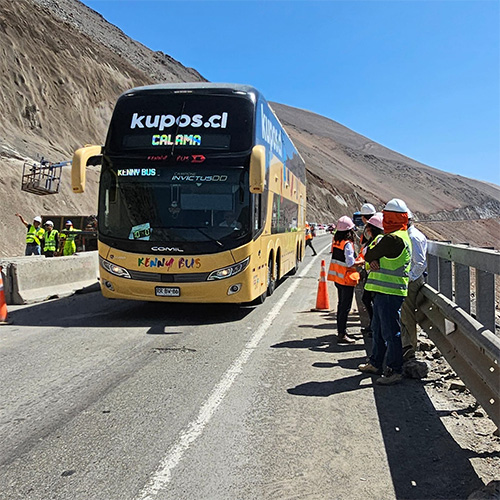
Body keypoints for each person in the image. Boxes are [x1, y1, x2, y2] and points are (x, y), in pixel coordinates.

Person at [358, 198, 412, 385]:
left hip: (389, 291)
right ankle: (376, 363)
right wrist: (372, 258)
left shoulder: (393, 238)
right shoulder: (401, 236)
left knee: (390, 332)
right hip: (385, 291)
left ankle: (395, 370)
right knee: (379, 329)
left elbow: (369, 254)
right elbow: (370, 256)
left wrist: (374, 258)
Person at [327, 216, 360, 344]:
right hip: (346, 279)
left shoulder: (336, 241)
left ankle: (341, 330)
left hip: (338, 278)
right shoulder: (347, 244)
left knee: (341, 305)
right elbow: (350, 262)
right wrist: (361, 262)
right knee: (345, 307)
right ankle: (342, 333)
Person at [400, 209, 428, 359]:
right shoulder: (411, 235)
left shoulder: (413, 237)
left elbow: (420, 263)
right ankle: (406, 343)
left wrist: (409, 277)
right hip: (411, 278)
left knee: (407, 313)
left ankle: (410, 346)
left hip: (412, 280)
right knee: (404, 313)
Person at [357, 212, 385, 336]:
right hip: (372, 277)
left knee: (371, 301)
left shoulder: (378, 240)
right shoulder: (374, 240)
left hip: (376, 278)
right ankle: (374, 326)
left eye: (368, 228)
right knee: (368, 300)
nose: (366, 230)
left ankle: (375, 327)